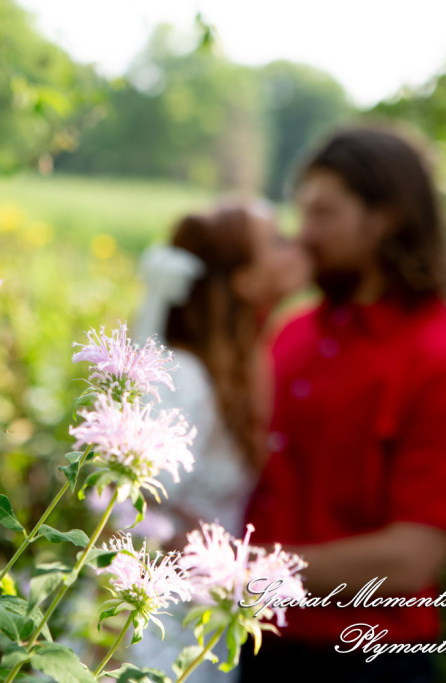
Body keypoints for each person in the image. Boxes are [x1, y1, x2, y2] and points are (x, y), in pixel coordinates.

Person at [242, 125, 446, 682]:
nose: (305, 234)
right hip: (253, 643)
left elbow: (411, 560)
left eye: (324, 214)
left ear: (385, 218)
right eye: (303, 213)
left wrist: (239, 570)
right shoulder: (292, 333)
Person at [126, 200, 310, 682]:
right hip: (152, 631)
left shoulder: (241, 362)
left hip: (205, 627)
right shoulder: (185, 378)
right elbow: (122, 503)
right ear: (246, 280)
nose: (300, 244)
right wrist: (180, 540)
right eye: (279, 240)